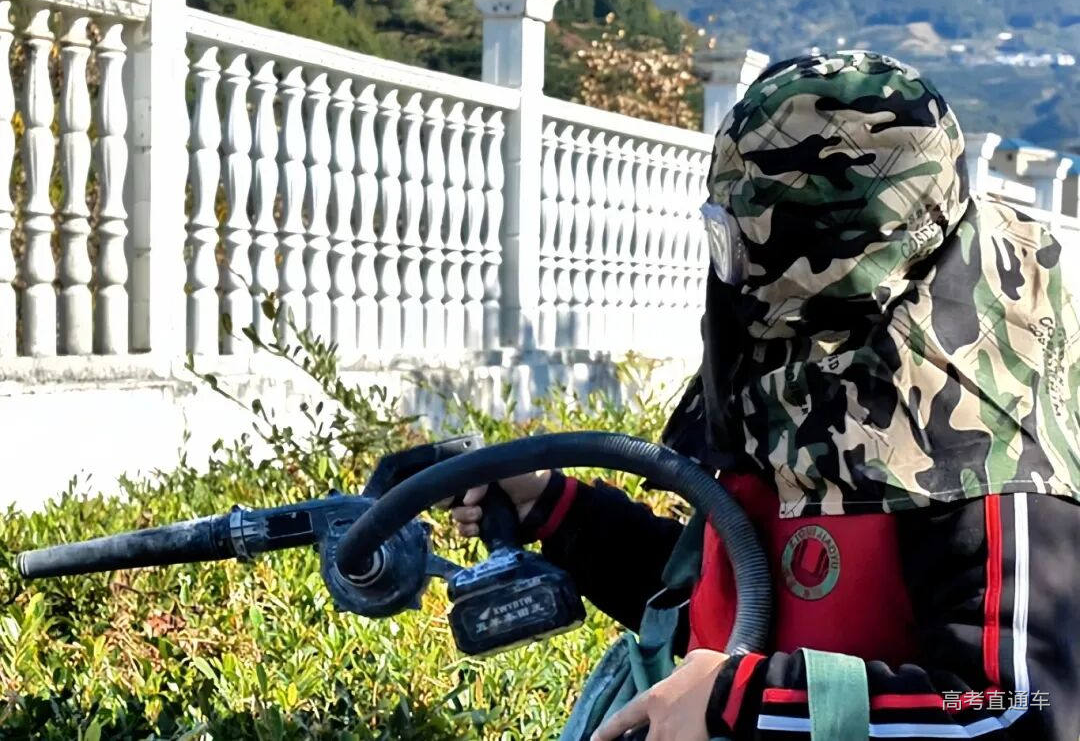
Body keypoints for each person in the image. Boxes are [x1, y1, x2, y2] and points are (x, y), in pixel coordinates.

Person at [447, 51, 1080, 741]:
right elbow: (733, 604)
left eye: (738, 234)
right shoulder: (817, 363)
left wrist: (743, 698)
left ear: (819, 252)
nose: (731, 270)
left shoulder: (983, 448)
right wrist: (555, 506)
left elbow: (1022, 710)